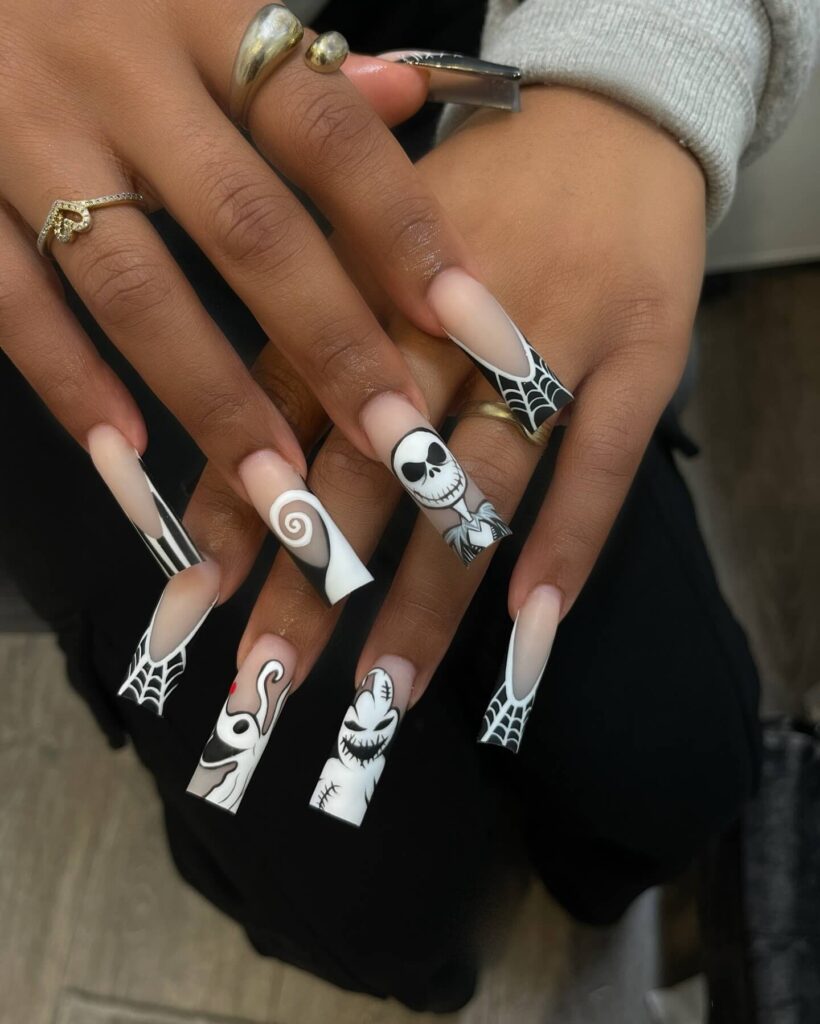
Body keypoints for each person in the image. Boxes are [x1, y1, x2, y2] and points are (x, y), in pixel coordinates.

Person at [0, 0, 816, 1011]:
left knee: (675, 771)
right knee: (371, 908)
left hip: (363, 69)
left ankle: (591, 891)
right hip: (34, 279)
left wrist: (643, 52)